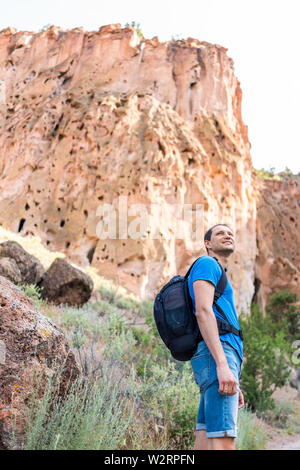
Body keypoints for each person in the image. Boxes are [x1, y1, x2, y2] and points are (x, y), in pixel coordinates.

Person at [188, 224, 244, 451]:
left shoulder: (215, 270)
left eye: (230, 233)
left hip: (215, 358)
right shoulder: (207, 264)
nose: (227, 235)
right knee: (223, 442)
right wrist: (222, 364)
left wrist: (230, 373)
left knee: (207, 440)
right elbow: (203, 311)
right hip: (217, 354)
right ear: (208, 244)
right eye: (220, 233)